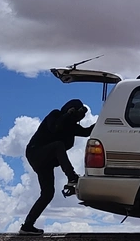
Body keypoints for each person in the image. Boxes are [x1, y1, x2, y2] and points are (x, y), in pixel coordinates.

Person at [20, 99, 94, 235]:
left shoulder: (71, 127)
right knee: (58, 145)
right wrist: (67, 115)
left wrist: (104, 122)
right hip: (35, 152)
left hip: (46, 162)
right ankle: (71, 177)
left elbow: (86, 132)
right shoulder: (55, 115)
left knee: (48, 194)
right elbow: (54, 127)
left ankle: (27, 226)